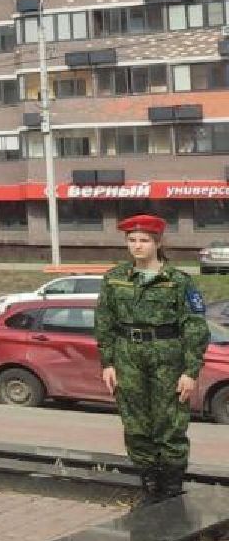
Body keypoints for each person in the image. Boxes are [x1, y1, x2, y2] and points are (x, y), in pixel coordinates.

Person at [95, 213, 209, 502]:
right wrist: (107, 363)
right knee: (135, 425)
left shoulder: (178, 281)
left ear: (158, 243)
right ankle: (149, 486)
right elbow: (104, 322)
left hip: (167, 358)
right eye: (132, 240)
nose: (137, 245)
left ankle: (171, 489)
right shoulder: (114, 279)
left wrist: (191, 371)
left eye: (144, 240)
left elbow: (195, 327)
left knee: (170, 424)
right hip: (127, 357)